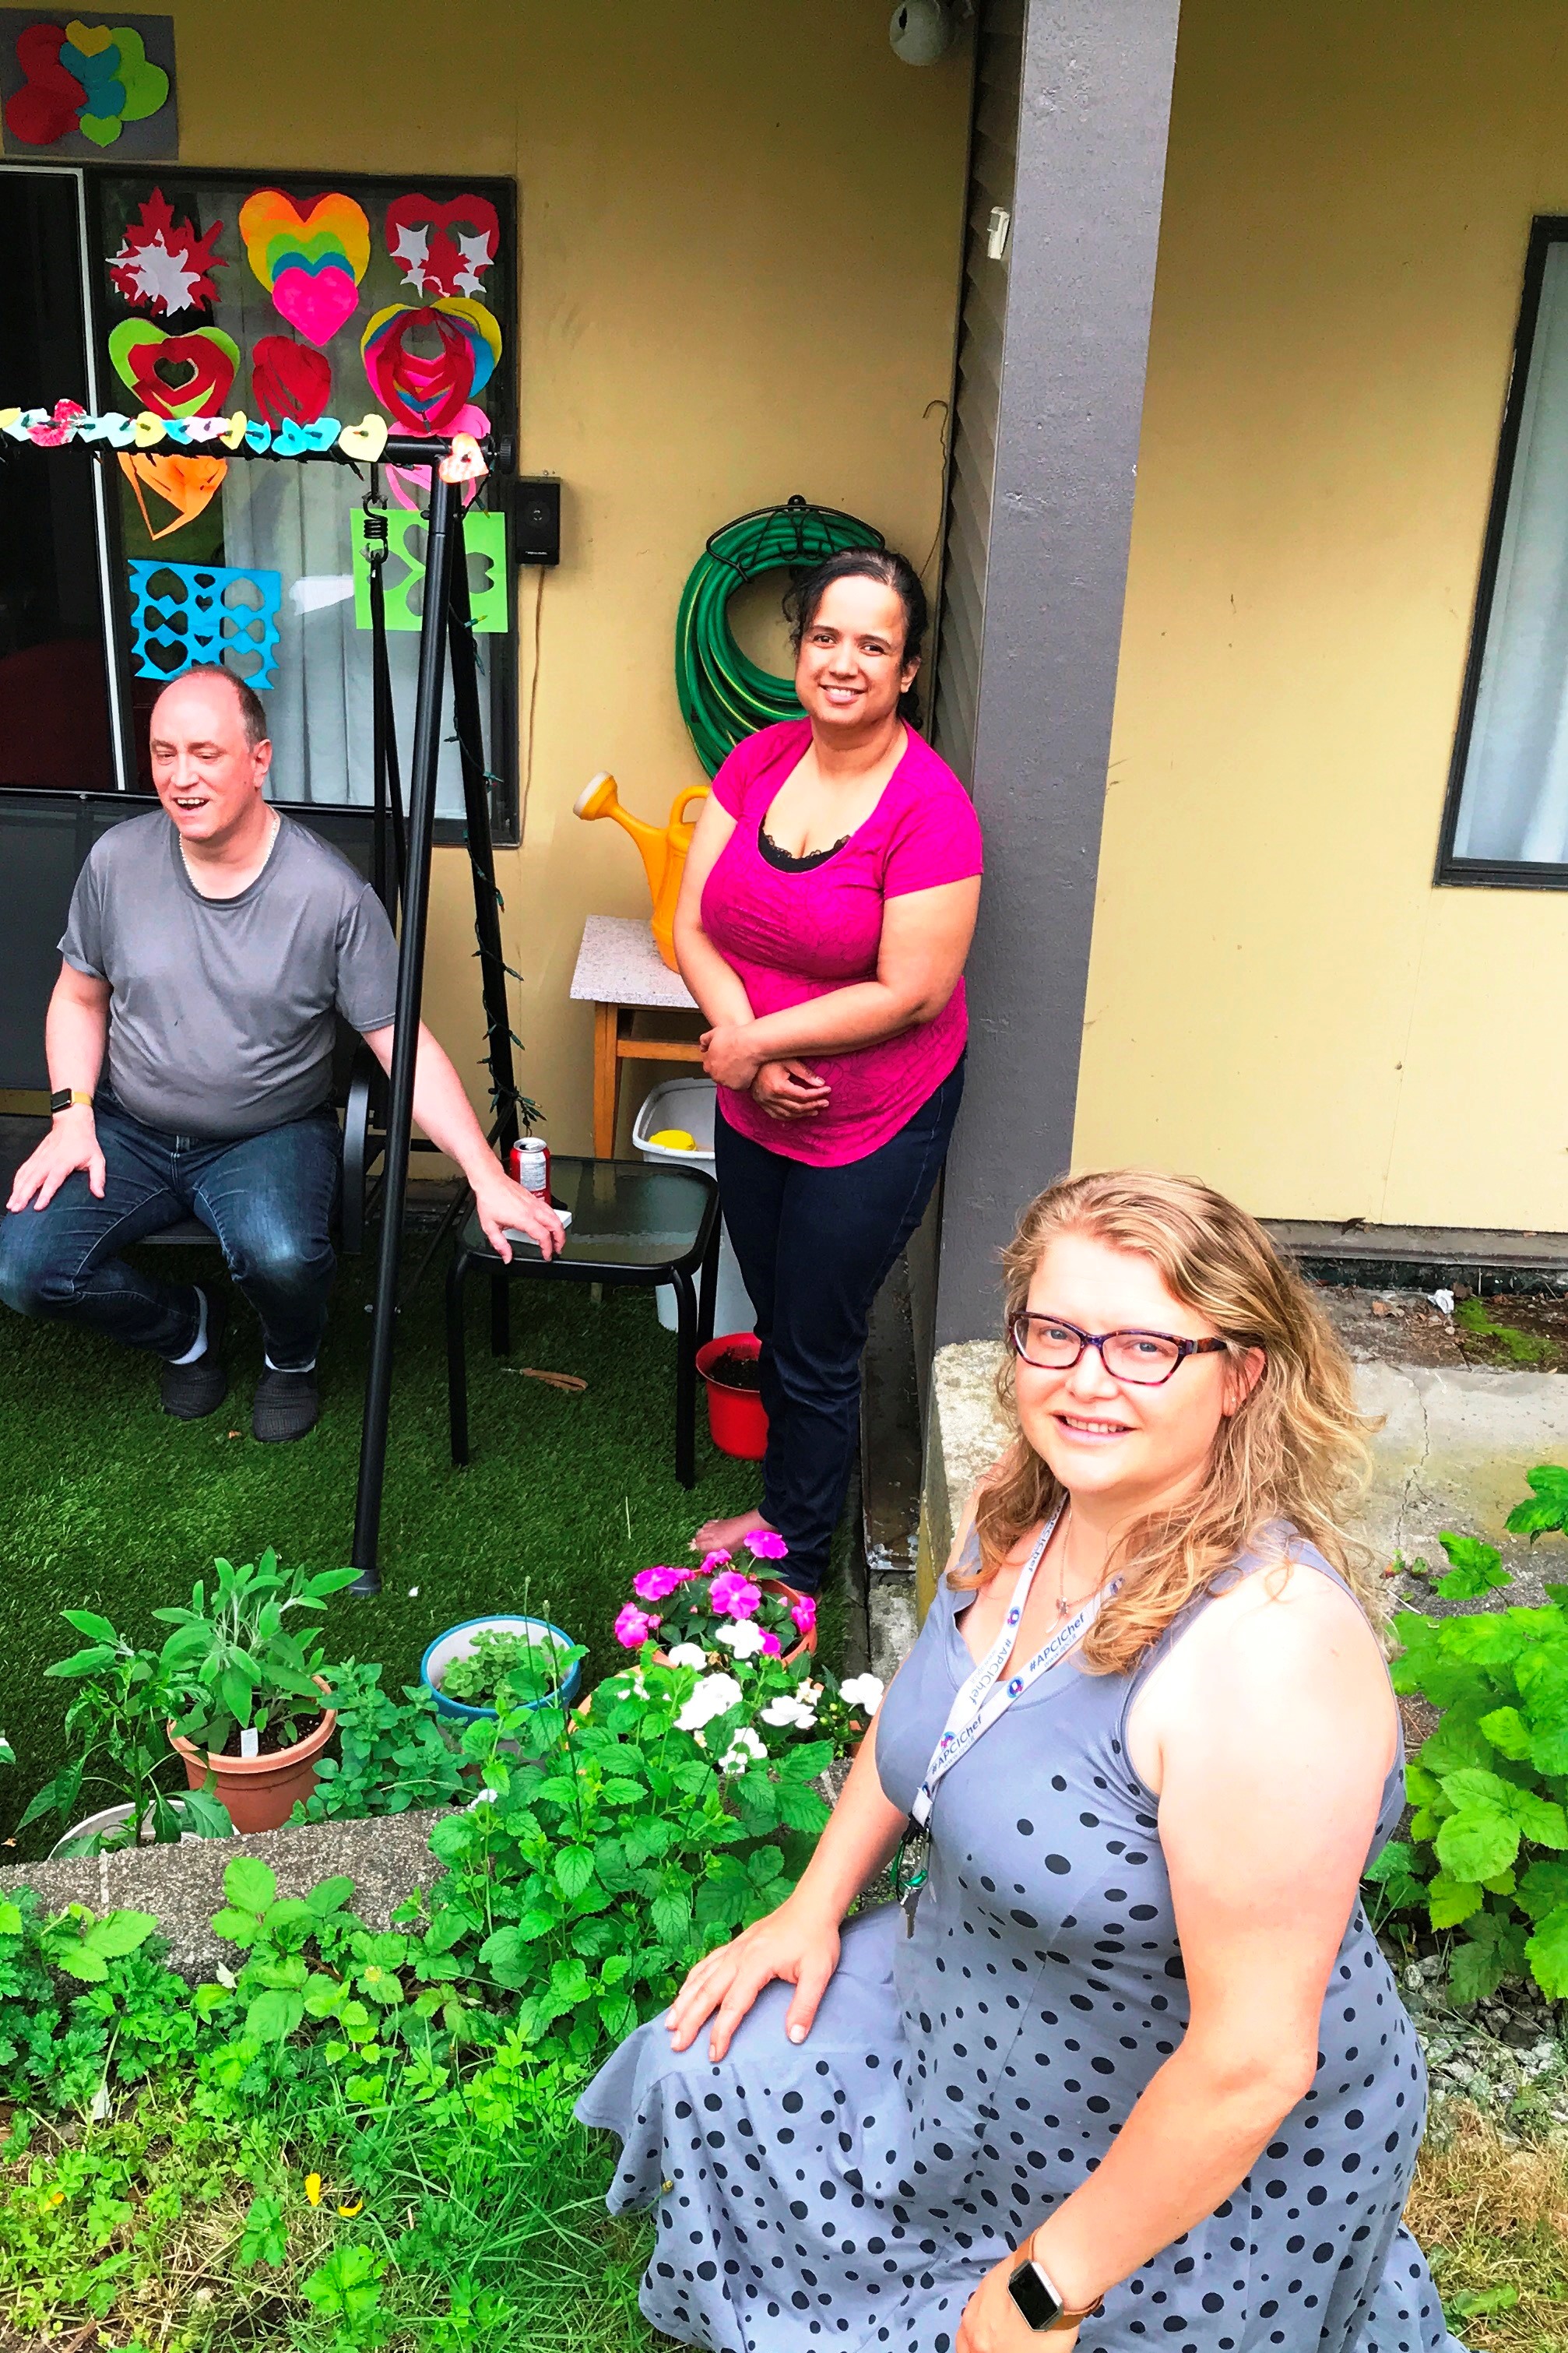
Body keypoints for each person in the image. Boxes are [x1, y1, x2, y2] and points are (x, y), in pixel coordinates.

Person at [578, 1169, 1463, 2353]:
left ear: (1240, 1373)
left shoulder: (1267, 1654)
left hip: (1187, 2139)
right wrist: (808, 1905)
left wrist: (1047, 2285)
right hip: (976, 2021)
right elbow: (930, 1714)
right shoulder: (1031, 1501)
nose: (1084, 1377)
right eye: (1055, 1331)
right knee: (711, 2070)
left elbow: (1249, 2061)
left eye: (1146, 1344)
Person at [0, 664, 561, 1443]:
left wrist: (484, 1172)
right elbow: (79, 996)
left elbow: (400, 1040)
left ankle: (290, 1356)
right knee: (26, 1269)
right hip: (127, 1126)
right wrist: (72, 1114)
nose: (182, 776)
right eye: (165, 754)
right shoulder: (117, 863)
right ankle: (185, 1326)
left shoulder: (329, 893)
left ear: (259, 760)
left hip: (267, 1135)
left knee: (284, 1257)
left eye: (206, 752)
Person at [673, 547, 982, 1593]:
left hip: (872, 1117)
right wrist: (742, 1046)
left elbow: (913, 990)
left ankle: (800, 1567)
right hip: (755, 1096)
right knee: (777, 1312)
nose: (843, 661)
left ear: (905, 670)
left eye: (873, 644)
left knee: (814, 1337)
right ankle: (783, 1508)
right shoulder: (756, 761)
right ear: (799, 649)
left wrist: (755, 1044)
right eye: (824, 637)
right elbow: (690, 921)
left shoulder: (930, 810)